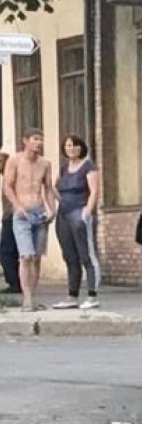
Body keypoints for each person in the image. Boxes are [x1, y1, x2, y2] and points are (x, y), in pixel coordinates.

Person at [3, 129, 56, 311]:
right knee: (26, 256)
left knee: (36, 258)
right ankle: (26, 298)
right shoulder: (15, 161)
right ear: (25, 141)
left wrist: (52, 209)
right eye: (35, 139)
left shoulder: (45, 164)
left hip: (39, 212)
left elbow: (48, 188)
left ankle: (32, 296)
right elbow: (7, 187)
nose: (38, 143)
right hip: (22, 213)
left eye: (41, 139)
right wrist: (18, 206)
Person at [52, 135, 101, 310]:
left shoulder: (88, 166)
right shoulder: (64, 168)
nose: (71, 148)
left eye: (74, 145)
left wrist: (86, 212)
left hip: (79, 212)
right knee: (70, 256)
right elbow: (55, 188)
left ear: (81, 148)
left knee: (86, 254)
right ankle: (72, 296)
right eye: (68, 145)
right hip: (63, 214)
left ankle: (92, 295)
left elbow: (94, 191)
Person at [0, 152, 22, 294]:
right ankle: (15, 282)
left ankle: (15, 283)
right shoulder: (6, 178)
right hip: (9, 217)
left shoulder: (13, 178)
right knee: (10, 252)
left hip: (13, 217)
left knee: (7, 251)